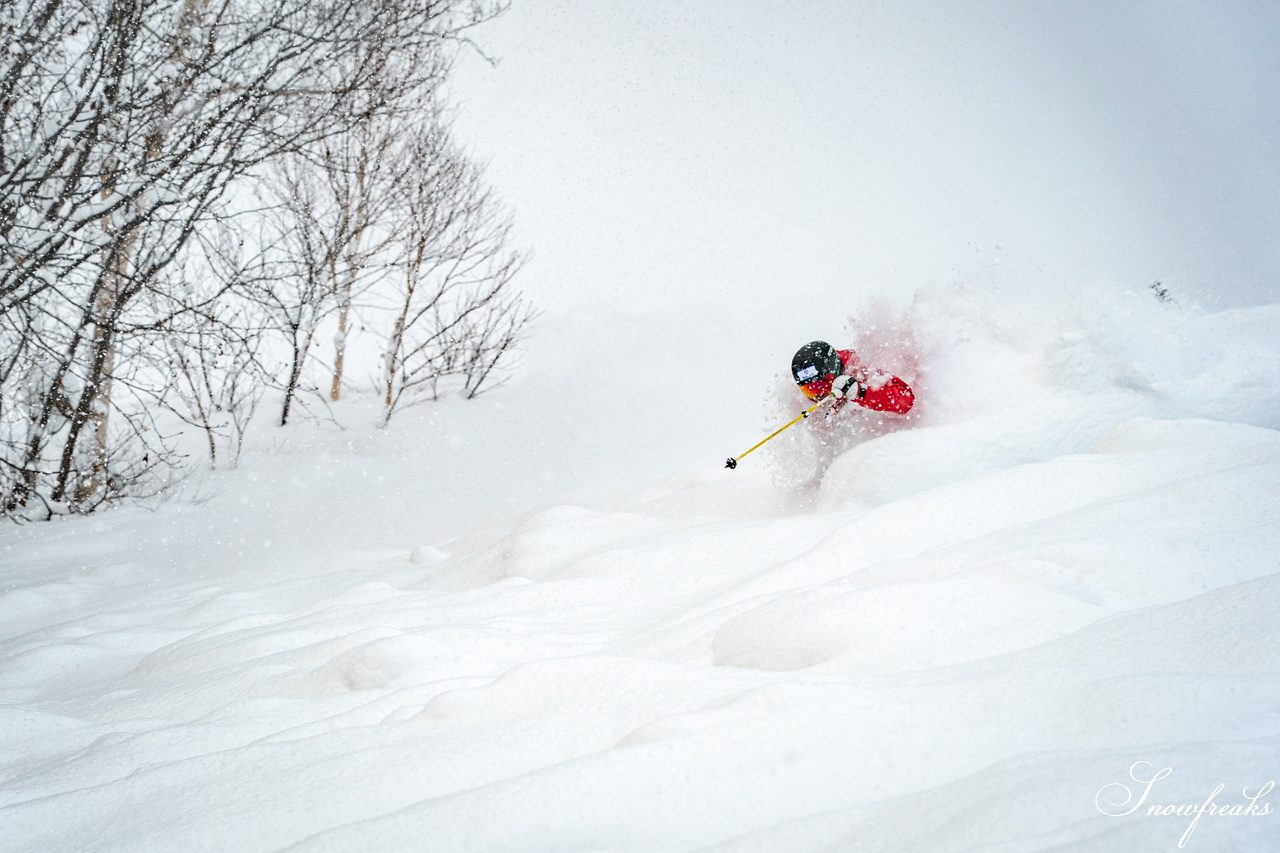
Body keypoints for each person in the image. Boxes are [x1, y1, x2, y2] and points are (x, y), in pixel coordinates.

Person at [790, 340, 914, 414]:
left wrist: (861, 392)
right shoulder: (801, 397)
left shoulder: (858, 369)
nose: (819, 396)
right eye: (810, 390)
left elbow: (906, 400)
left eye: (821, 386)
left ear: (836, 371)